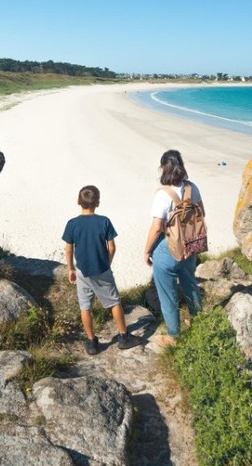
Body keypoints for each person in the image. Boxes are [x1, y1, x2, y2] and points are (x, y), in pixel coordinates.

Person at [63, 185, 145, 355]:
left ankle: (92, 342)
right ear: (97, 203)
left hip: (81, 271)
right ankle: (123, 337)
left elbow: (69, 250)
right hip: (101, 269)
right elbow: (112, 247)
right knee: (114, 302)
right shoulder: (104, 221)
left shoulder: (72, 224)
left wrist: (71, 269)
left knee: (85, 306)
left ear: (78, 202)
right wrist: (106, 263)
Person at [143, 150, 204, 346]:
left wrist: (146, 250)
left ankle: (173, 335)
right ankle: (200, 322)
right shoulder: (192, 188)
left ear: (163, 168)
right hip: (190, 245)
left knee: (167, 293)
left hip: (168, 248)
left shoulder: (163, 194)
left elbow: (156, 228)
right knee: (190, 284)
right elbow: (201, 212)